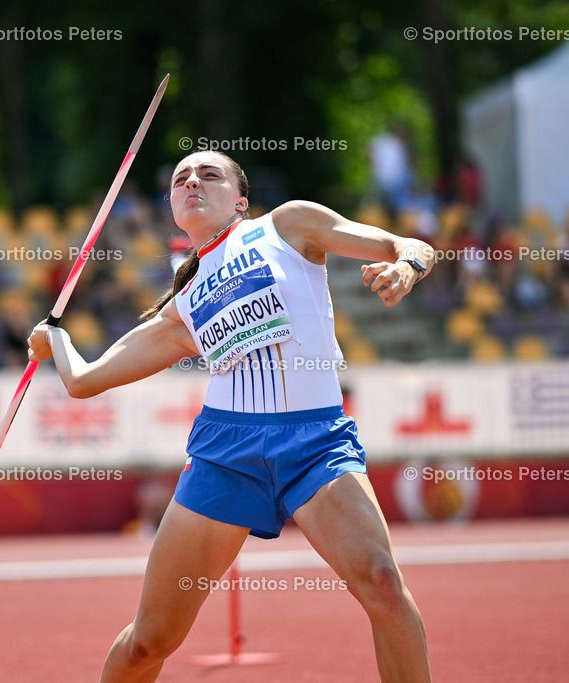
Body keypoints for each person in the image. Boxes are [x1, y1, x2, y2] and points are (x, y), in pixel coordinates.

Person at [28, 151, 434, 682]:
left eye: (209, 174)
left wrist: (406, 268)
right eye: (180, 179)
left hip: (315, 442)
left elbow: (412, 245)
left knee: (382, 582)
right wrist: (54, 339)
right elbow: (83, 381)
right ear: (173, 207)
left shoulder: (288, 225)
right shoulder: (181, 309)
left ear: (240, 201)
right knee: (148, 643)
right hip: (226, 457)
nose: (192, 182)